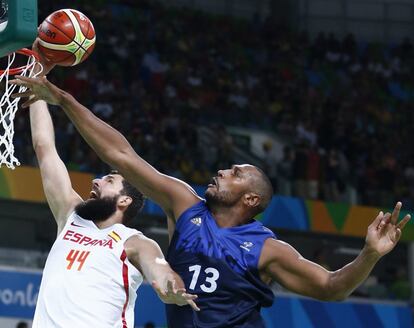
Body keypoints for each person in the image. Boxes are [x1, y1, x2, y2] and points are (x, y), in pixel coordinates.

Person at [12, 57, 411, 328]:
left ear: (251, 199)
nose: (222, 170)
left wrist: (369, 254)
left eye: (235, 172)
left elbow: (331, 287)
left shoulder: (266, 249)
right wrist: (61, 99)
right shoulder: (185, 204)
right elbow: (120, 152)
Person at [17, 58, 198, 328]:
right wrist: (39, 85)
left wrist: (169, 287)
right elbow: (45, 148)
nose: (97, 181)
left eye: (109, 179)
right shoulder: (70, 216)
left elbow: (158, 269)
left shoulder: (135, 242)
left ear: (125, 200)